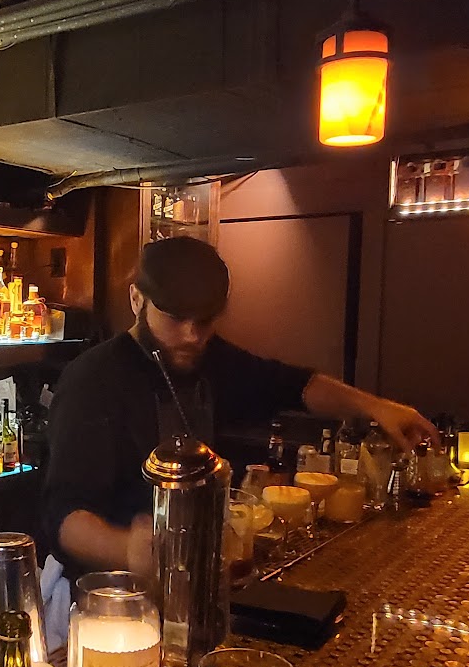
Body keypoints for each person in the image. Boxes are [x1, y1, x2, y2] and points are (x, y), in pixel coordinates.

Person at [44, 237, 437, 577]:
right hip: (114, 596)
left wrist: (376, 407)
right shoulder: (93, 379)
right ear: (136, 299)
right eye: (175, 318)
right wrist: (129, 550)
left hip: (196, 574)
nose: (192, 335)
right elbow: (64, 515)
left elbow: (293, 385)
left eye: (205, 321)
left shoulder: (211, 359)